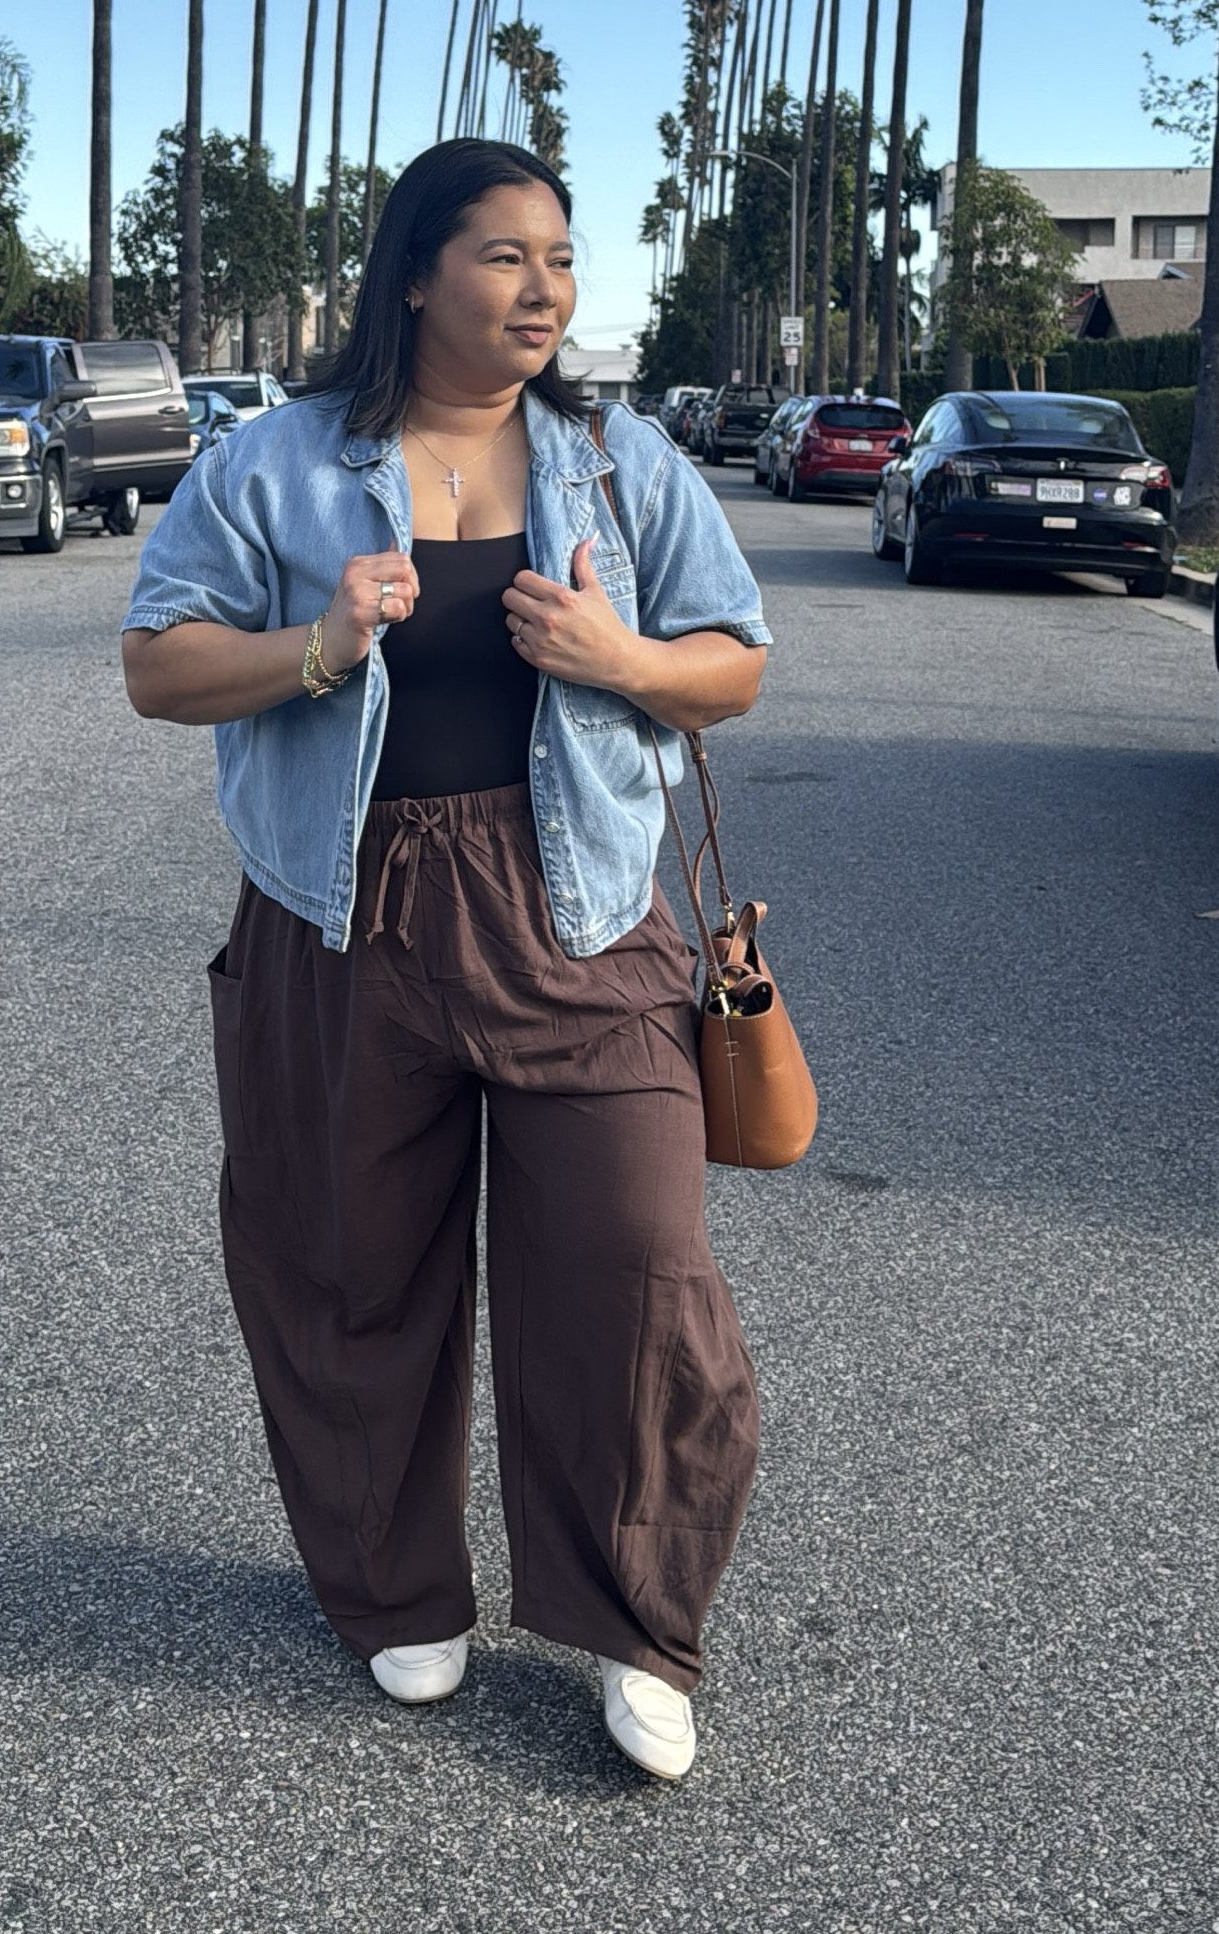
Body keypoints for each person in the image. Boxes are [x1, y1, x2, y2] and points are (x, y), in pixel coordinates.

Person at [121, 139, 770, 1782]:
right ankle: (393, 1585)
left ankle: (636, 1622)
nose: (543, 288)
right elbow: (157, 665)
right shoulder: (273, 463)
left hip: (584, 908)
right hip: (341, 914)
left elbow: (733, 666)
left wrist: (618, 654)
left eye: (559, 258)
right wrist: (322, 642)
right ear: (413, 274)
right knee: (347, 1264)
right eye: (502, 256)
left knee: (636, 1266)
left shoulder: (623, 465)